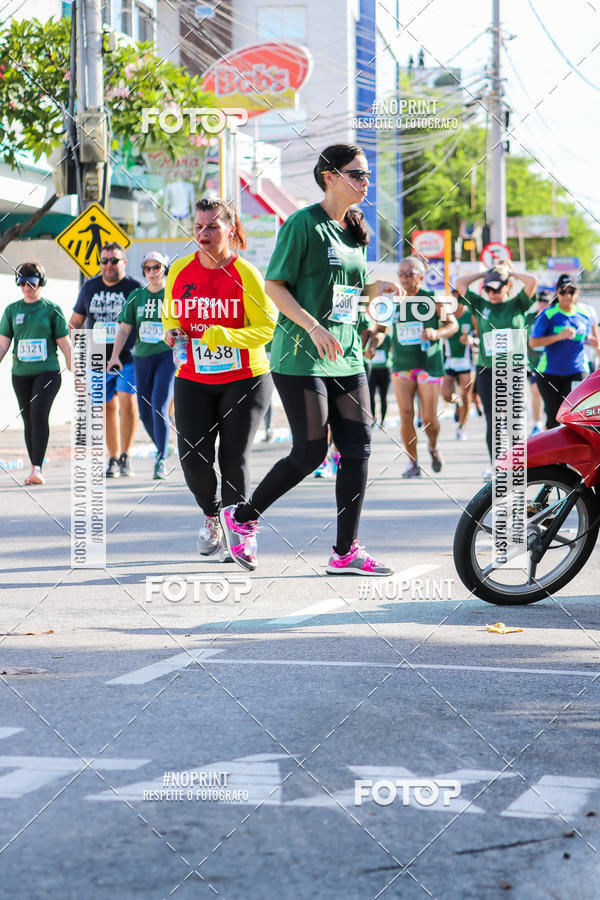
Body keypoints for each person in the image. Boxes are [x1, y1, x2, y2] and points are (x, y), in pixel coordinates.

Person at [219, 143, 401, 575]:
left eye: (367, 175)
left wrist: (380, 295)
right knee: (311, 451)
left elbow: (351, 291)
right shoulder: (303, 223)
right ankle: (242, 517)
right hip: (301, 356)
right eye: (356, 174)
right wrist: (312, 327)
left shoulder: (354, 228)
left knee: (358, 449)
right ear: (329, 176)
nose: (364, 182)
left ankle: (345, 552)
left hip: (347, 353)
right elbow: (275, 287)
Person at [162, 197, 276, 560]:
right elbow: (170, 314)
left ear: (230, 229)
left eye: (212, 226)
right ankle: (213, 516)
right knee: (192, 457)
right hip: (194, 375)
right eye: (198, 227)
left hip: (245, 377)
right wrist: (172, 332)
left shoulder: (246, 274)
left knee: (233, 456)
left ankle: (240, 535)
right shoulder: (180, 269)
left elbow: (266, 328)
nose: (203, 233)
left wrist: (223, 334)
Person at [456, 260, 538, 480]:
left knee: (515, 419)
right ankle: (498, 466)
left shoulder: (518, 303)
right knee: (494, 420)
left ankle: (517, 466)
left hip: (515, 369)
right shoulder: (481, 304)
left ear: (507, 286)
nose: (492, 292)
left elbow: (532, 281)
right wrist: (486, 273)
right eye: (488, 288)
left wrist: (509, 272)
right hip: (488, 370)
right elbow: (459, 282)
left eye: (497, 287)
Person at [69, 242, 141, 478]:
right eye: (104, 261)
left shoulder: (134, 288)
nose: (108, 265)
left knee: (127, 402)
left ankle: (126, 456)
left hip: (127, 356)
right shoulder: (90, 286)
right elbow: (76, 321)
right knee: (107, 406)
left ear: (124, 262)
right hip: (97, 355)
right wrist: (70, 350)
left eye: (114, 260)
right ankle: (112, 457)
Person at [0, 262, 71, 485]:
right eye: (22, 282)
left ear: (42, 282)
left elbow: (65, 343)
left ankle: (37, 468)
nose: (27, 287)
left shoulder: (52, 309)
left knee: (39, 415)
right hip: (20, 373)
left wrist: (74, 366)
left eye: (32, 282)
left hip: (48, 372)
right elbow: (3, 344)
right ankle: (34, 466)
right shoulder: (12, 310)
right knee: (28, 420)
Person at [387, 256, 458, 478]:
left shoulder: (432, 299)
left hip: (428, 364)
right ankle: (412, 462)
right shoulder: (393, 301)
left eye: (410, 273)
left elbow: (452, 325)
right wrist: (374, 343)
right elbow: (380, 329)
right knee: (406, 414)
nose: (404, 278)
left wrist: (436, 333)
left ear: (421, 276)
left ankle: (433, 446)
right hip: (402, 364)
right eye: (401, 274)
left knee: (428, 419)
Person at [108, 251, 175, 479]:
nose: (152, 272)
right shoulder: (137, 296)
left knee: (159, 406)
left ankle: (161, 459)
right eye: (147, 268)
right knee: (145, 412)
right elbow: (125, 328)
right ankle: (162, 445)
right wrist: (114, 356)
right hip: (142, 357)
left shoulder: (172, 294)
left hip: (167, 356)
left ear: (164, 269)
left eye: (156, 267)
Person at [530, 274, 599, 429]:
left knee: (575, 416)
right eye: (563, 292)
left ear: (577, 293)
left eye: (571, 292)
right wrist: (558, 336)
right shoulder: (548, 315)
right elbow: (533, 343)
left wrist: (591, 341)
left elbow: (587, 339)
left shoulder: (585, 314)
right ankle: (552, 452)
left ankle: (576, 452)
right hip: (549, 373)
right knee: (554, 419)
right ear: (556, 293)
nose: (567, 295)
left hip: (577, 371)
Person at [441, 291, 477, 441]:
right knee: (445, 394)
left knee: (466, 396)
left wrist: (471, 339)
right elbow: (439, 330)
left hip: (466, 361)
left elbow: (480, 334)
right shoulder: (446, 315)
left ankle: (461, 427)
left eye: (459, 299)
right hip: (449, 359)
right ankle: (457, 404)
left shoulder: (471, 315)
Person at [525, 289, 552, 435]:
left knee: (549, 396)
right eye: (540, 301)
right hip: (534, 362)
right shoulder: (529, 318)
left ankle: (550, 423)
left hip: (551, 362)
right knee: (536, 391)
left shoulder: (553, 317)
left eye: (546, 301)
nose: (542, 304)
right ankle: (537, 424)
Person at [367, 331, 392, 426]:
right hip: (373, 369)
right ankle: (373, 417)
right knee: (371, 394)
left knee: (383, 396)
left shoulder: (387, 336)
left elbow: (391, 349)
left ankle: (383, 420)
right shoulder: (370, 336)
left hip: (385, 369)